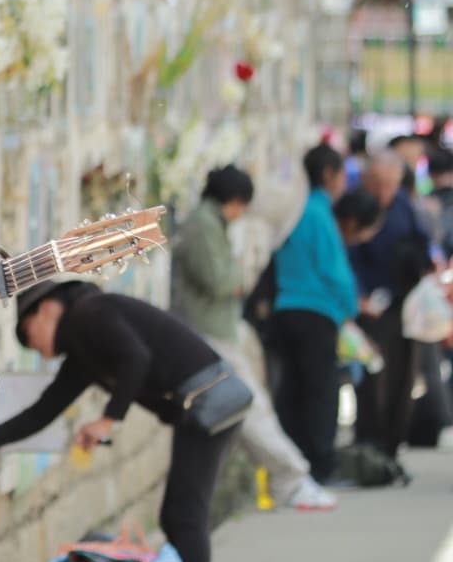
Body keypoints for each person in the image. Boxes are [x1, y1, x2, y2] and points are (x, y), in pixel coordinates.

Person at [0, 281, 242, 562]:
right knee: (180, 516)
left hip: (209, 402)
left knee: (184, 515)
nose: (32, 346)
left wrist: (108, 420)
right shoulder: (84, 352)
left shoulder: (89, 313)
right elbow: (45, 409)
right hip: (203, 407)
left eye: (27, 333)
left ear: (47, 308)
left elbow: (136, 358)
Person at [171, 164, 335, 511]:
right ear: (233, 200)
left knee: (244, 413)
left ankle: (286, 479)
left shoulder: (210, 224)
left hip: (216, 332)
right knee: (251, 409)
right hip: (211, 336)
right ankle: (291, 479)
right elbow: (219, 281)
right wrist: (241, 275)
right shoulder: (203, 226)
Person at [271, 143, 358, 483]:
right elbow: (334, 272)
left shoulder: (295, 210)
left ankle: (295, 464)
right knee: (320, 393)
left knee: (291, 391)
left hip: (285, 311)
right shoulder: (319, 214)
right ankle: (320, 466)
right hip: (316, 313)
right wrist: (350, 308)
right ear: (328, 175)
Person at [349, 151, 432, 461]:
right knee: (372, 379)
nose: (383, 191)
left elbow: (422, 244)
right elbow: (348, 255)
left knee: (403, 377)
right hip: (369, 305)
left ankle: (392, 445)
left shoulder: (404, 207)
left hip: (403, 303)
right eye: (377, 184)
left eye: (389, 185)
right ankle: (369, 445)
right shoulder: (355, 205)